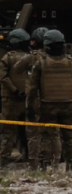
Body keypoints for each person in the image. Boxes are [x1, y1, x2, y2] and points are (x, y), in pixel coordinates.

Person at [27, 30, 72, 172]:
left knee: (47, 136)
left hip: (48, 105)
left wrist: (29, 107)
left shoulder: (41, 64)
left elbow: (33, 88)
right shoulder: (71, 63)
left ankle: (45, 165)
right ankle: (70, 167)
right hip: (69, 105)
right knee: (69, 137)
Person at [13, 27, 56, 170]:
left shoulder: (32, 57)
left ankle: (34, 165)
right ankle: (50, 163)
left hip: (34, 99)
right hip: (51, 99)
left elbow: (17, 68)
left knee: (33, 133)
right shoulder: (57, 57)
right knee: (51, 132)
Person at [0, 29, 30, 166]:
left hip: (10, 100)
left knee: (8, 131)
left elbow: (3, 77)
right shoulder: (30, 58)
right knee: (27, 130)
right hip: (27, 100)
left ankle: (4, 159)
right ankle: (29, 156)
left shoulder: (8, 58)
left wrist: (14, 91)